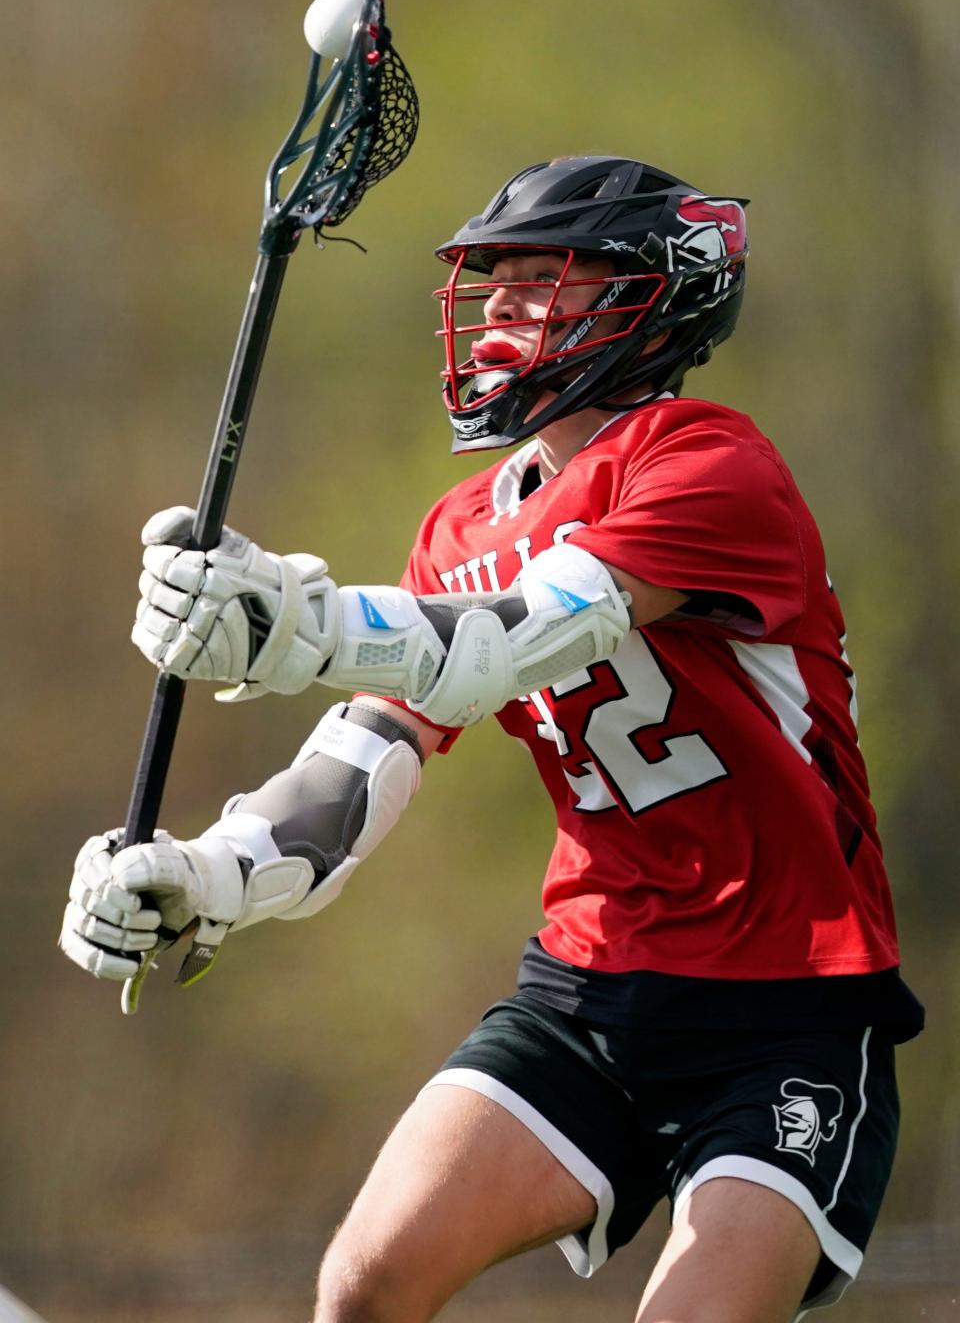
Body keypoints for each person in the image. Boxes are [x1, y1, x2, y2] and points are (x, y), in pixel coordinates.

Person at [60, 155, 923, 1323]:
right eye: (496, 280)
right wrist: (209, 876)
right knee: (364, 1284)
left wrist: (296, 623)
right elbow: (364, 758)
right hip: (588, 991)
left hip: (787, 1012)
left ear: (652, 298)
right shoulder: (464, 520)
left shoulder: (714, 467)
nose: (505, 306)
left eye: (544, 279)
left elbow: (517, 638)